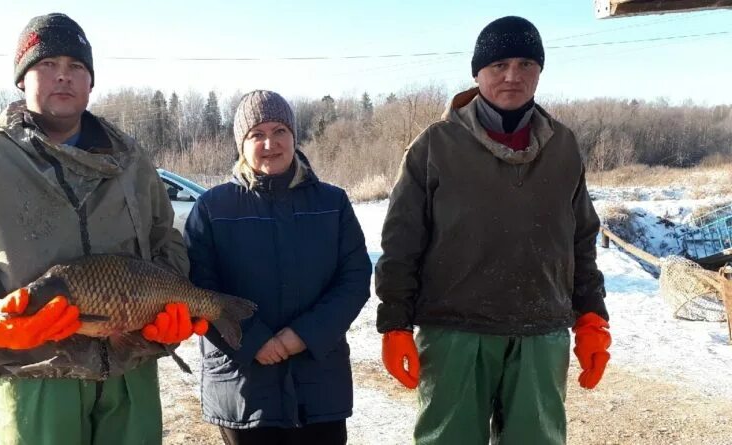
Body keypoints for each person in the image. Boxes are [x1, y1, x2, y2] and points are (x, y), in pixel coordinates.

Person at [0, 13, 206, 445]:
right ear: (22, 78)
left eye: (76, 66)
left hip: (130, 372)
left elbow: (164, 240)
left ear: (91, 82)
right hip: (34, 375)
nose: (63, 76)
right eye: (47, 64)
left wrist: (171, 303)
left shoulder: (132, 159)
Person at [375, 16, 612, 445]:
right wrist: (394, 323)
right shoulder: (434, 145)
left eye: (526, 64)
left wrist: (592, 316)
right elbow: (400, 242)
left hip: (541, 332)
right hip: (454, 332)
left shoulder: (564, 146)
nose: (512, 76)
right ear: (477, 71)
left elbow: (580, 239)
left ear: (540, 71)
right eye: (499, 64)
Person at [183, 90, 372, 445]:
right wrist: (254, 341)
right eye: (257, 134)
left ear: (294, 137)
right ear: (241, 143)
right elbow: (198, 290)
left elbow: (355, 279)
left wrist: (301, 336)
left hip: (318, 385)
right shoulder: (212, 208)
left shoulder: (333, 203)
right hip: (245, 388)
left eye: (280, 130)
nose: (270, 143)